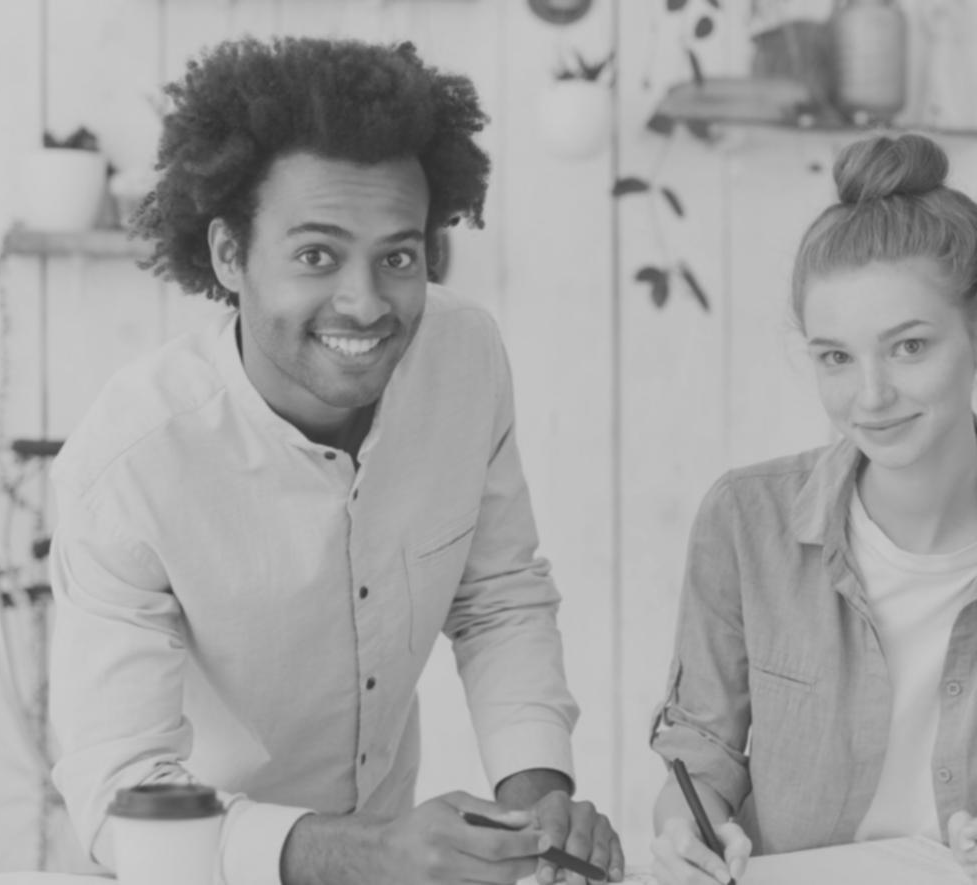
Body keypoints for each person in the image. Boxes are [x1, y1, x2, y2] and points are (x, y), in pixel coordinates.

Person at [48, 37, 623, 885]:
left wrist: (537, 799)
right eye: (316, 254)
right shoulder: (132, 464)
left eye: (397, 255)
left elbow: (497, 595)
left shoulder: (464, 358)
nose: (365, 301)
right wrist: (369, 852)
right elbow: (124, 795)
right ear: (229, 256)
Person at [648, 134, 977, 885]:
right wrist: (686, 834)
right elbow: (702, 759)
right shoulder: (742, 519)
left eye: (910, 347)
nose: (871, 395)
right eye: (836, 357)